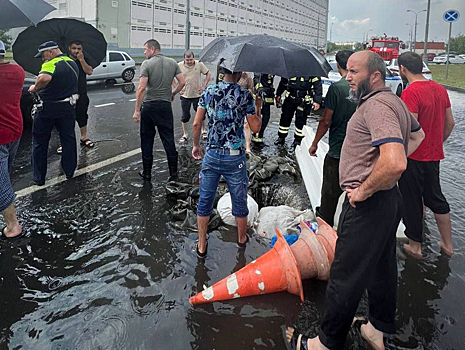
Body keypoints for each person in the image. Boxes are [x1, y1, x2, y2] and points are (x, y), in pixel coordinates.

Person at [286, 51, 425, 350]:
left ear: (374, 76)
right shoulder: (394, 101)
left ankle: (325, 343)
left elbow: (396, 162)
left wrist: (364, 188)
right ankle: (376, 328)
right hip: (389, 199)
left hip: (369, 203)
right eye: (346, 71)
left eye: (353, 72)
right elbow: (419, 136)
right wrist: (382, 169)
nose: (347, 77)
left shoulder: (376, 107)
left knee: (345, 273)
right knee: (382, 268)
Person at [192, 69, 261, 258]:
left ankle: (201, 244)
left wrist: (196, 145)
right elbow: (255, 127)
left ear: (222, 72)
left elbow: (197, 124)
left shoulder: (208, 91)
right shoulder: (245, 95)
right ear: (238, 73)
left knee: (205, 200)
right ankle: (241, 241)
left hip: (212, 154)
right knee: (239, 201)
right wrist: (258, 106)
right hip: (235, 156)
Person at [397, 51, 455, 258]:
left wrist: (399, 154)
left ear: (402, 69)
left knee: (411, 200)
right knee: (435, 197)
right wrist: (437, 143)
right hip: (434, 156)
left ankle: (415, 247)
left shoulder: (410, 92)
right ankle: (447, 245)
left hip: (414, 157)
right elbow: (450, 123)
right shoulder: (439, 88)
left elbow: (410, 129)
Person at [309, 50, 356, 227]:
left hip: (337, 150)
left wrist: (314, 143)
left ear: (338, 65)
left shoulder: (337, 89)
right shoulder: (364, 88)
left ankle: (325, 225)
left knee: (330, 192)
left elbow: (325, 121)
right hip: (358, 153)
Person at [133, 39, 185, 182]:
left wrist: (137, 110)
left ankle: (147, 173)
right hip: (165, 106)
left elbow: (142, 88)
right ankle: (174, 173)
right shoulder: (173, 63)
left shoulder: (146, 64)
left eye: (145, 49)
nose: (144, 52)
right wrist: (173, 93)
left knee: (147, 139)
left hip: (149, 106)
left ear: (153, 49)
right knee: (168, 138)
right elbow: (182, 82)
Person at [29, 41, 79, 186]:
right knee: (68, 139)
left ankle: (39, 178)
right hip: (68, 107)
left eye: (43, 55)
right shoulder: (72, 63)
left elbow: (44, 78)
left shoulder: (51, 63)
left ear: (50, 52)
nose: (43, 58)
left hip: (47, 109)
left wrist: (34, 88)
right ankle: (69, 172)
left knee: (40, 142)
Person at [0, 40, 24, 239]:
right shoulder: (18, 72)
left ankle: (13, 225)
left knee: (1, 181)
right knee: (4, 173)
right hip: (15, 129)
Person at [56, 40, 94, 154]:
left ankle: (84, 137)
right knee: (66, 119)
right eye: (74, 48)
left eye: (79, 49)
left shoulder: (84, 60)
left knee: (82, 115)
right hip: (67, 95)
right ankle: (65, 143)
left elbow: (89, 71)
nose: (76, 51)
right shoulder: (63, 60)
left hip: (81, 93)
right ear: (69, 49)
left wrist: (81, 60)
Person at [275, 75, 322, 148]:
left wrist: (317, 101)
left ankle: (297, 141)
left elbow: (318, 87)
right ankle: (281, 138)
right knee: (285, 118)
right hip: (290, 98)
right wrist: (278, 94)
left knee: (301, 121)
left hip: (304, 101)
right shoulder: (291, 69)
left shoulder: (312, 72)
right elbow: (283, 83)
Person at [176, 50, 211, 143]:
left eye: (191, 59)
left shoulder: (199, 64)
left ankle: (204, 131)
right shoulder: (179, 65)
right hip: (185, 95)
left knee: (202, 114)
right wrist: (177, 88)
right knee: (185, 116)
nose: (189, 62)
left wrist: (204, 86)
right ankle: (185, 134)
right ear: (184, 58)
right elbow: (172, 76)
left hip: (197, 95)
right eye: (187, 60)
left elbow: (208, 73)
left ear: (194, 58)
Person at [252, 73, 275, 145]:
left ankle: (259, 136)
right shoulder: (261, 67)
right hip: (260, 96)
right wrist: (260, 90)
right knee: (259, 116)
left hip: (268, 95)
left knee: (266, 117)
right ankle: (256, 137)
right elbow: (256, 80)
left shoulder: (271, 68)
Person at [237, 72, 254, 153]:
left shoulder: (248, 78)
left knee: (246, 125)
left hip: (244, 104)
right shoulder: (234, 76)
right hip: (235, 105)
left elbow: (251, 91)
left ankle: (247, 146)